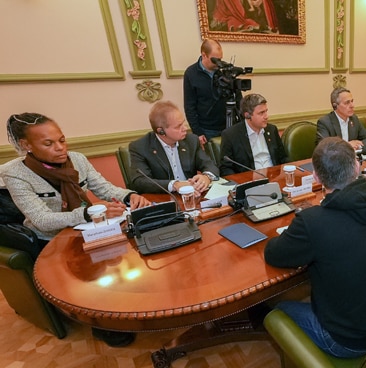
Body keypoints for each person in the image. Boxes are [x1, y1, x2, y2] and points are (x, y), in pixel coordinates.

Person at [0, 113, 152, 347]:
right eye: (49, 144)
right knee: (86, 275)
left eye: (62, 140)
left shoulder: (78, 159)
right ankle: (100, 323)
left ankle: (121, 307)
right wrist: (86, 214)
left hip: (89, 227)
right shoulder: (14, 172)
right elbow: (41, 219)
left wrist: (131, 196)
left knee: (124, 259)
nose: (60, 148)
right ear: (26, 145)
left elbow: (104, 188)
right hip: (49, 239)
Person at [264, 137, 366, 358]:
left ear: (317, 177)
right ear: (357, 166)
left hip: (345, 342)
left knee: (277, 307)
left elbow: (273, 254)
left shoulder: (312, 221)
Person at [128, 101, 219, 195]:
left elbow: (210, 165)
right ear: (161, 131)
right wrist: (174, 185)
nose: (185, 128)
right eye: (178, 126)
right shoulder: (140, 147)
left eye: (183, 123)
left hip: (194, 196)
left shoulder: (191, 140)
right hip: (164, 199)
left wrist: (207, 177)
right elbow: (139, 182)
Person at [183, 39, 242, 146]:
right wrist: (198, 132)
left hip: (231, 127)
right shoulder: (191, 73)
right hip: (207, 130)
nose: (218, 63)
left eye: (220, 59)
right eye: (215, 59)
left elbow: (239, 100)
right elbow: (189, 106)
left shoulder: (225, 71)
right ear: (204, 55)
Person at [219, 93, 288, 176]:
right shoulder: (231, 135)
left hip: (273, 177)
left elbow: (283, 158)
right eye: (261, 113)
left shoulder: (272, 130)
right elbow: (225, 168)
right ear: (247, 115)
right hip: (249, 181)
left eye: (266, 111)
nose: (266, 116)